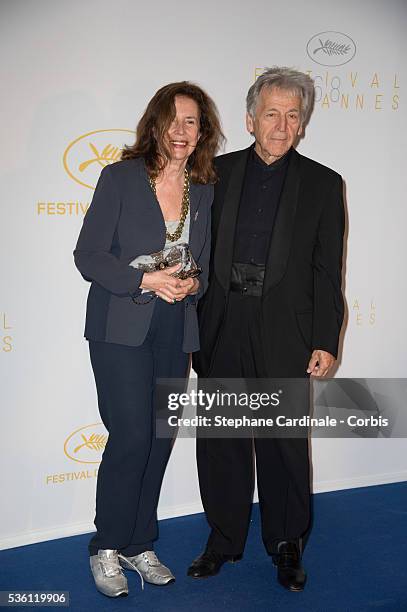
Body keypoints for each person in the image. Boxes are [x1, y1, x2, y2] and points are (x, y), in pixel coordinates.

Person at [189, 67, 345, 591]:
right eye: (272, 114)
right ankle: (223, 540)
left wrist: (326, 337)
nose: (282, 125)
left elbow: (328, 269)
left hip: (286, 330)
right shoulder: (213, 173)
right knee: (221, 439)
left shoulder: (324, 183)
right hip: (223, 320)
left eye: (293, 115)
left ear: (303, 124)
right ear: (251, 118)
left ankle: (286, 545)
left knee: (282, 442)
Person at [74, 81, 223, 598]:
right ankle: (107, 546)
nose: (182, 132)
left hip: (174, 327)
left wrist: (191, 282)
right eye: (175, 120)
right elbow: (88, 256)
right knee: (132, 437)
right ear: (155, 124)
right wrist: (145, 279)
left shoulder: (203, 190)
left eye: (193, 122)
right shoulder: (119, 178)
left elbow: (199, 264)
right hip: (120, 327)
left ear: (202, 133)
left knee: (159, 439)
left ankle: (140, 543)